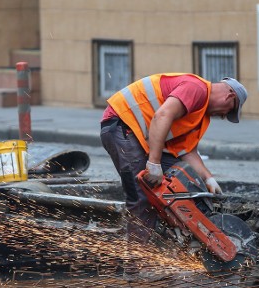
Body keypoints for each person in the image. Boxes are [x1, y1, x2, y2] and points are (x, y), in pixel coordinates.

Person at [100, 73, 248, 244]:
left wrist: (208, 179)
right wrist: (154, 163)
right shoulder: (196, 89)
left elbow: (187, 152)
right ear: (229, 96)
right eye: (229, 110)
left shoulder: (200, 115)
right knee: (142, 196)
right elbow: (162, 115)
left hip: (136, 134)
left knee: (182, 178)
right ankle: (136, 264)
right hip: (121, 124)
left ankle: (171, 242)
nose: (223, 116)